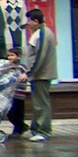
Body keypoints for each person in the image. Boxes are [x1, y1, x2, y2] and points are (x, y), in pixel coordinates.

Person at [23, 8, 57, 142]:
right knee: (37, 103)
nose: (28, 23)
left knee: (41, 103)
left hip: (41, 75)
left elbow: (40, 56)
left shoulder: (43, 34)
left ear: (35, 21)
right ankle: (35, 129)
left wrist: (30, 72)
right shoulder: (39, 32)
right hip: (38, 74)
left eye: (29, 20)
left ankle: (44, 131)